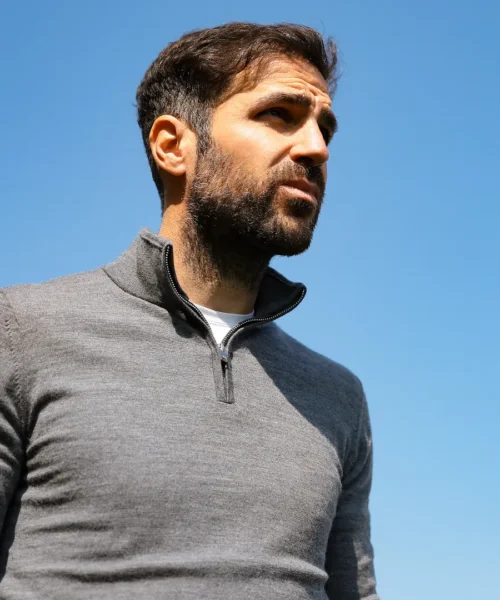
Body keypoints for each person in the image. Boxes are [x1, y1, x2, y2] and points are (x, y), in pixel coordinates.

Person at [0, 22, 379, 600]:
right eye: (279, 115)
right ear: (173, 146)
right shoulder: (21, 330)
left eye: (324, 128)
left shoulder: (338, 397)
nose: (316, 148)